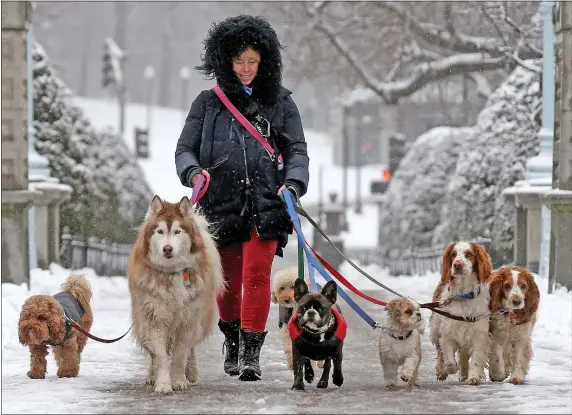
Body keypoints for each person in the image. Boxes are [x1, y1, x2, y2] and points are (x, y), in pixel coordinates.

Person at [175, 14, 310, 382]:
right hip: (218, 203)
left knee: (255, 276)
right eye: (239, 61)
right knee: (227, 281)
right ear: (225, 61)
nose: (246, 68)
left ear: (264, 61)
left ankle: (252, 352)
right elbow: (185, 149)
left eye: (253, 60)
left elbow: (296, 150)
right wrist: (193, 172)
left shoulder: (281, 103)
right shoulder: (207, 104)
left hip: (267, 203)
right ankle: (232, 339)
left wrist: (294, 183)